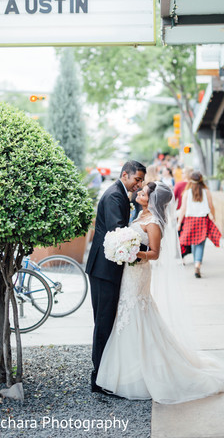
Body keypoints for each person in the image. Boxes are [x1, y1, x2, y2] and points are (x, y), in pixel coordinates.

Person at [96, 182, 224, 403]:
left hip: (138, 274)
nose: (140, 193)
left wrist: (134, 253)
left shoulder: (154, 223)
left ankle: (142, 373)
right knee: (127, 315)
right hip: (130, 273)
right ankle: (128, 371)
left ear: (152, 200)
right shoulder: (140, 214)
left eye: (144, 193)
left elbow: (154, 253)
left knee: (135, 313)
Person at [85, 160, 146, 393]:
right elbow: (118, 231)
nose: (139, 185)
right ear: (125, 175)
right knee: (103, 323)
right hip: (104, 270)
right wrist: (142, 252)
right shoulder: (114, 196)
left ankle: (104, 374)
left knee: (107, 322)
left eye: (141, 180)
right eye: (136, 179)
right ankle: (99, 378)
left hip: (108, 269)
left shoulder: (121, 194)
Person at [177, 171, 221, 278]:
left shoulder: (187, 192)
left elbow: (183, 209)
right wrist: (213, 216)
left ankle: (195, 262)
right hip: (203, 220)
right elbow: (211, 206)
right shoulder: (206, 191)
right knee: (200, 243)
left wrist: (179, 223)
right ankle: (197, 264)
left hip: (190, 220)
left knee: (193, 242)